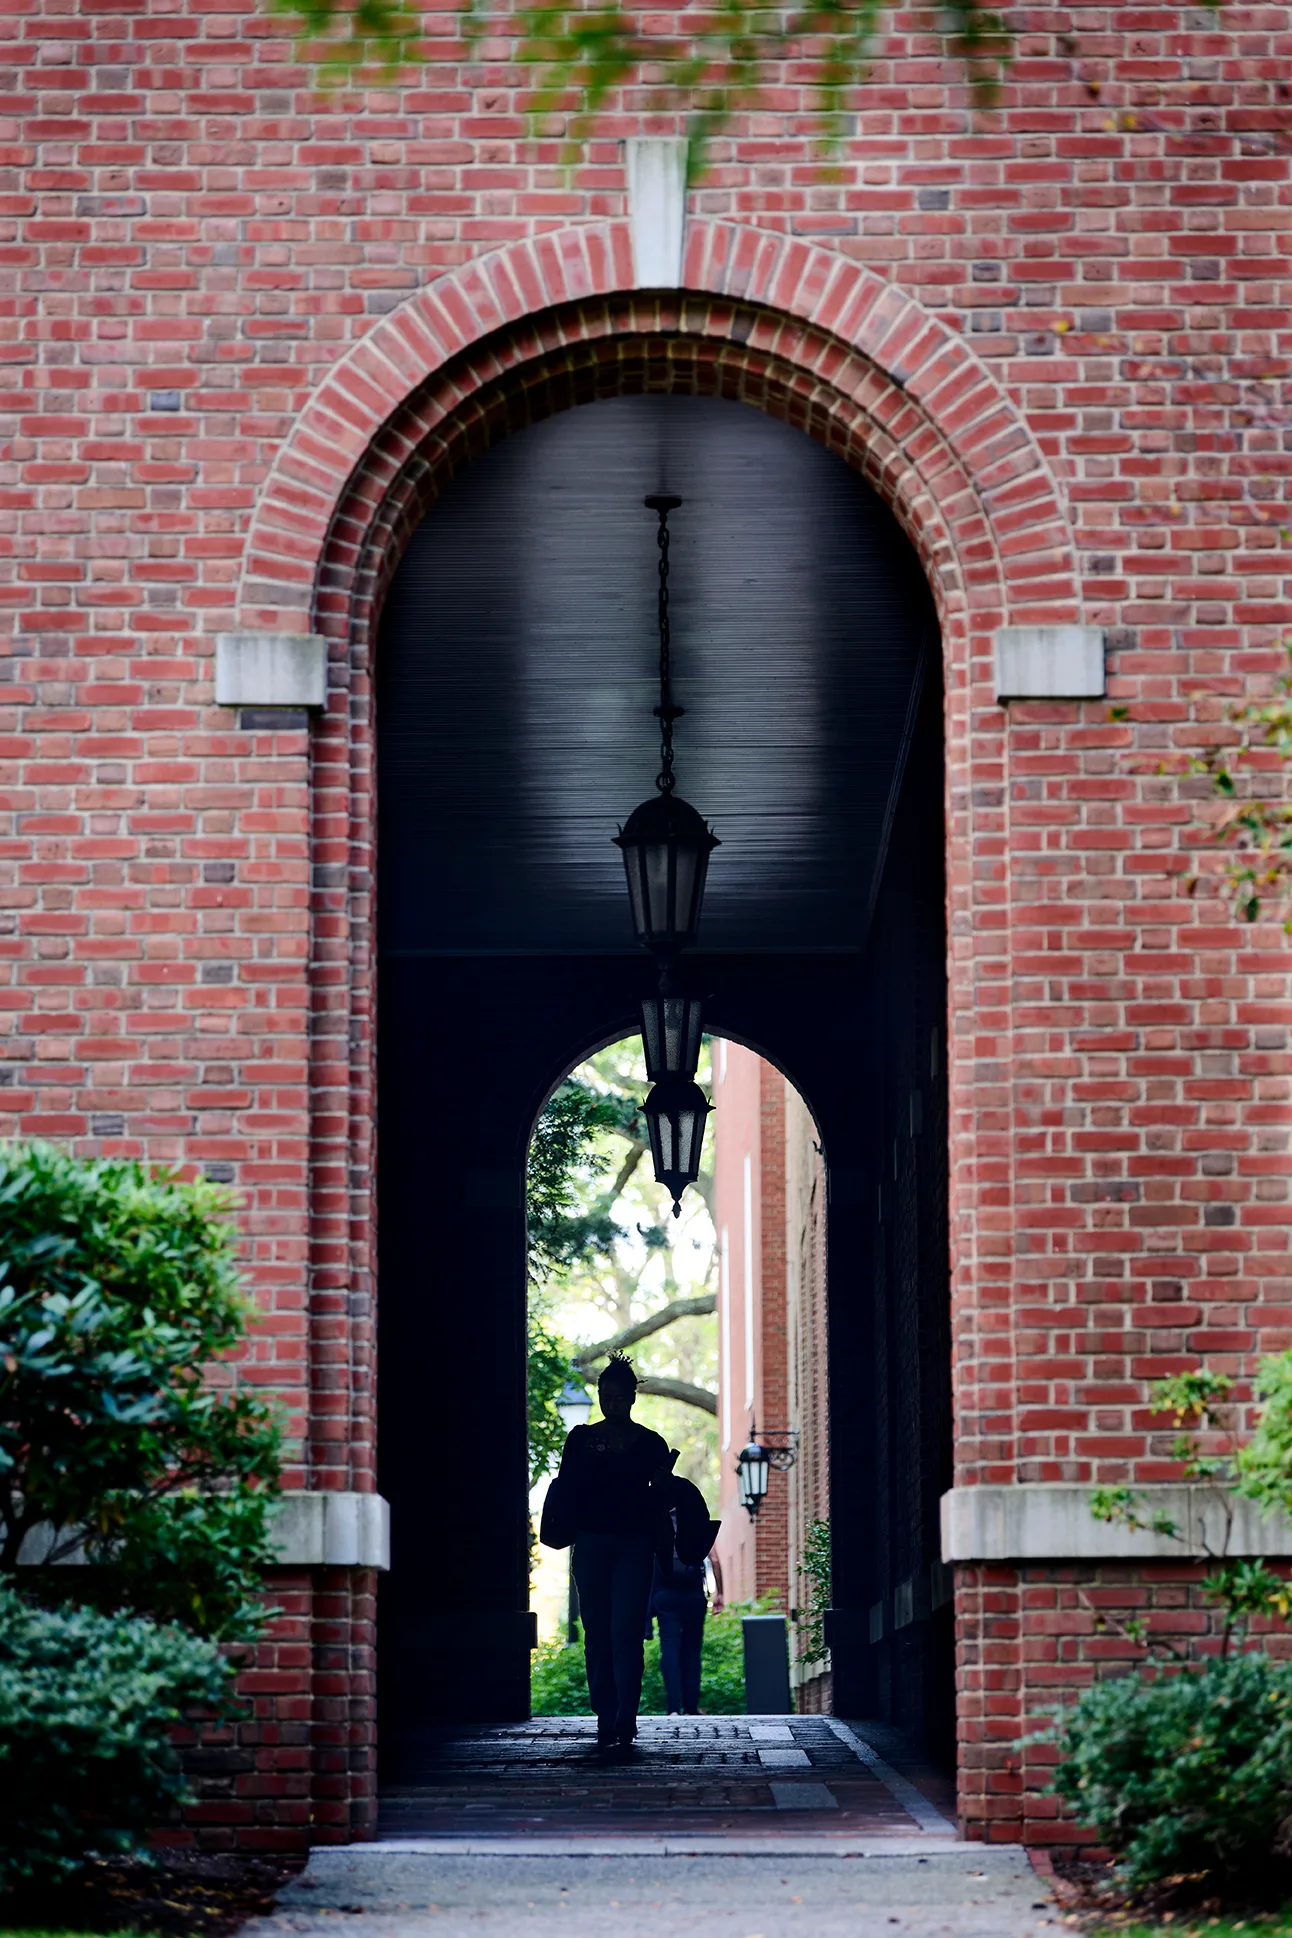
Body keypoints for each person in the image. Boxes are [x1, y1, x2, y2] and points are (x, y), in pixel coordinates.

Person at [554, 1350, 670, 1758]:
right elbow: (566, 1487)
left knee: (625, 1633)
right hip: (593, 1544)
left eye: (619, 1395)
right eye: (605, 1394)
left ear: (632, 1398)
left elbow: (663, 1500)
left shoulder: (653, 1445)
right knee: (598, 1633)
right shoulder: (581, 1440)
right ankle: (607, 1712)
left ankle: (625, 1714)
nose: (611, 1402)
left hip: (635, 1546)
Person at [647, 1504, 709, 1715]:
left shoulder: (657, 1520)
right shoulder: (694, 1522)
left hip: (666, 1593)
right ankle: (691, 1707)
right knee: (692, 1650)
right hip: (693, 1593)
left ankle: (673, 1707)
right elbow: (714, 1558)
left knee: (670, 1649)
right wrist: (720, 1592)